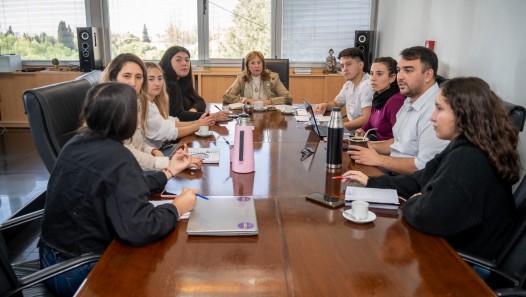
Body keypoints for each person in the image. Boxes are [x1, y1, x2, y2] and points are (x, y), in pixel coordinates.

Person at [342, 77, 520, 278]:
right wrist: (372, 182)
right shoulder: (463, 144)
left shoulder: (469, 158)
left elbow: (427, 216)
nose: (432, 117)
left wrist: (415, 200)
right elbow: (421, 178)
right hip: (456, 247)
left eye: (440, 109)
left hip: (470, 267)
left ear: (464, 115)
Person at [39, 82, 199, 296]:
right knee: (168, 272)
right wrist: (176, 207)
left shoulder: (77, 143)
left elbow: (122, 188)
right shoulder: (118, 157)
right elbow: (140, 228)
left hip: (50, 260)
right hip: (77, 271)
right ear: (128, 119)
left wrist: (169, 171)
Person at [348, 46, 449, 174]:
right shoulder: (409, 101)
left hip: (407, 182)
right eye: (399, 70)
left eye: (408, 71)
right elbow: (397, 143)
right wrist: (366, 146)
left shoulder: (435, 111)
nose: (400, 77)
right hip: (393, 169)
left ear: (428, 75)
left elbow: (424, 166)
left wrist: (378, 159)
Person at [100, 53, 201, 170]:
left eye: (138, 77)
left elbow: (136, 144)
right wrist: (168, 163)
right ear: (113, 78)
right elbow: (126, 152)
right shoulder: (107, 107)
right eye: (127, 76)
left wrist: (152, 150)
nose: (133, 82)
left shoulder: (130, 104)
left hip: (140, 163)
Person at [142, 62, 215, 148]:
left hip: (162, 148)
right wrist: (197, 125)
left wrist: (197, 122)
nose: (157, 83)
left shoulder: (152, 101)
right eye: (151, 79)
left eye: (160, 78)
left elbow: (170, 122)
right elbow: (170, 132)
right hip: (154, 154)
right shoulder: (144, 105)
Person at [159, 46, 229, 122]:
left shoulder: (182, 81)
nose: (184, 63)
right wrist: (212, 116)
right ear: (168, 62)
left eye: (187, 60)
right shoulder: (165, 85)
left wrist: (193, 110)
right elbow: (178, 116)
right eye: (178, 60)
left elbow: (201, 102)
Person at [313, 48, 373, 130]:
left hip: (362, 135)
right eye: (342, 66)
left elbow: (366, 118)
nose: (344, 69)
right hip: (350, 130)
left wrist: (339, 126)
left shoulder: (367, 84)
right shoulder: (348, 84)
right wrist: (325, 105)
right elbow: (336, 103)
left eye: (348, 64)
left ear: (360, 65)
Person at [355, 57, 405, 141]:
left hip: (386, 151)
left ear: (392, 78)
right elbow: (371, 121)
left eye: (379, 74)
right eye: (371, 73)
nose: (373, 78)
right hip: (375, 144)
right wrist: (362, 130)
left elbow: (399, 140)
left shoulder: (395, 101)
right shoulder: (378, 96)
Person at [222, 50, 293, 105]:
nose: (256, 66)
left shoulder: (273, 78)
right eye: (252, 63)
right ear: (247, 66)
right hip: (248, 114)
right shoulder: (242, 78)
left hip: (269, 115)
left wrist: (269, 101)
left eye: (259, 62)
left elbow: (288, 98)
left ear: (263, 64)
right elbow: (226, 96)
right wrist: (245, 100)